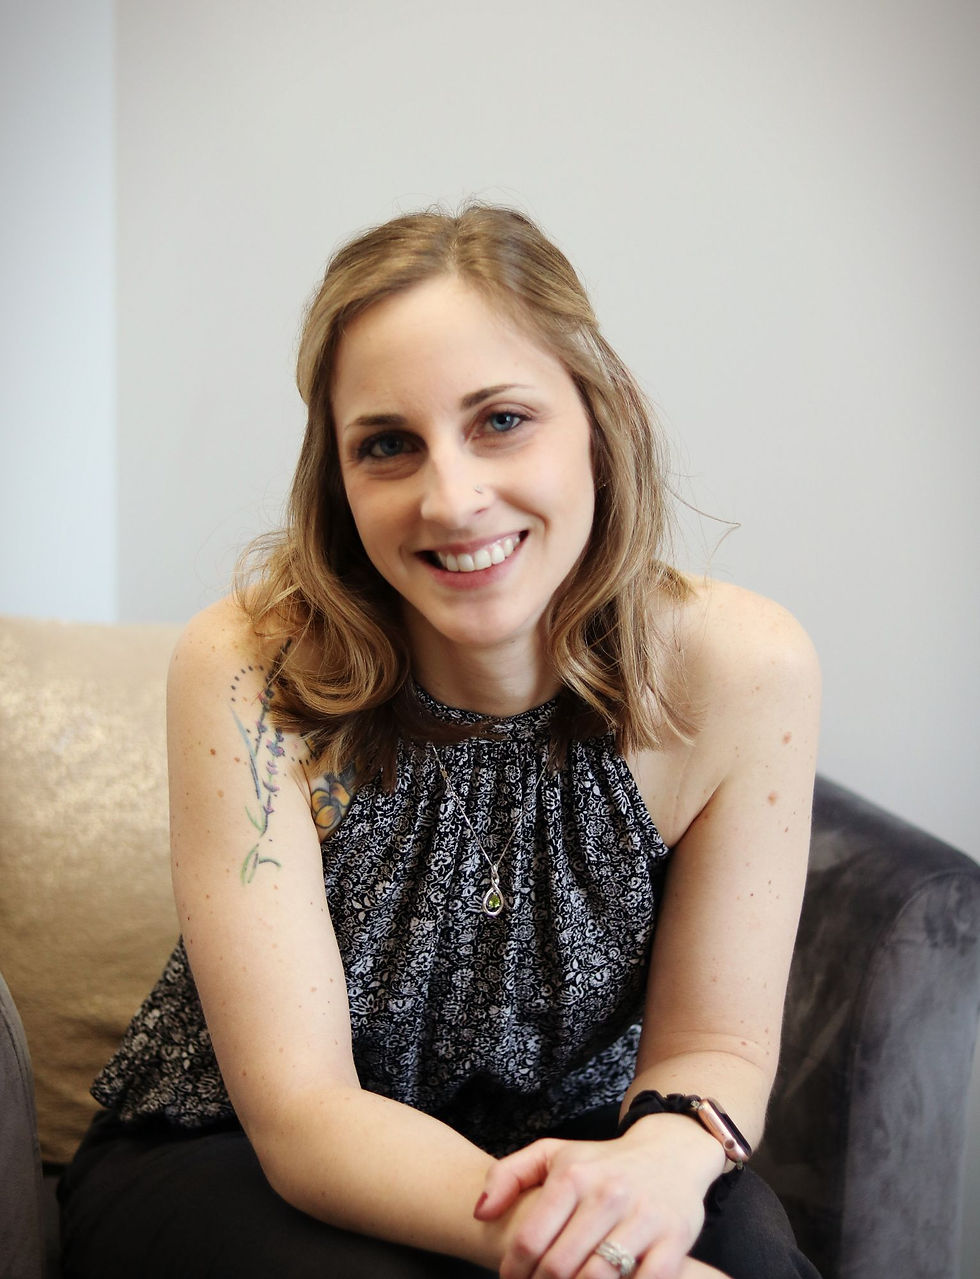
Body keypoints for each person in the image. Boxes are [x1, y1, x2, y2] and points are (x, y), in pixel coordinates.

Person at [59, 205, 822, 1279]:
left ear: (596, 420)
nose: (453, 499)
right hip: (238, 1155)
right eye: (387, 444)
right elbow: (305, 1113)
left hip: (576, 1147)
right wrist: (596, 1260)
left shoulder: (744, 669)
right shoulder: (246, 668)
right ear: (338, 478)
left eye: (501, 420)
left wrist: (660, 1158)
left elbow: (714, 1046)